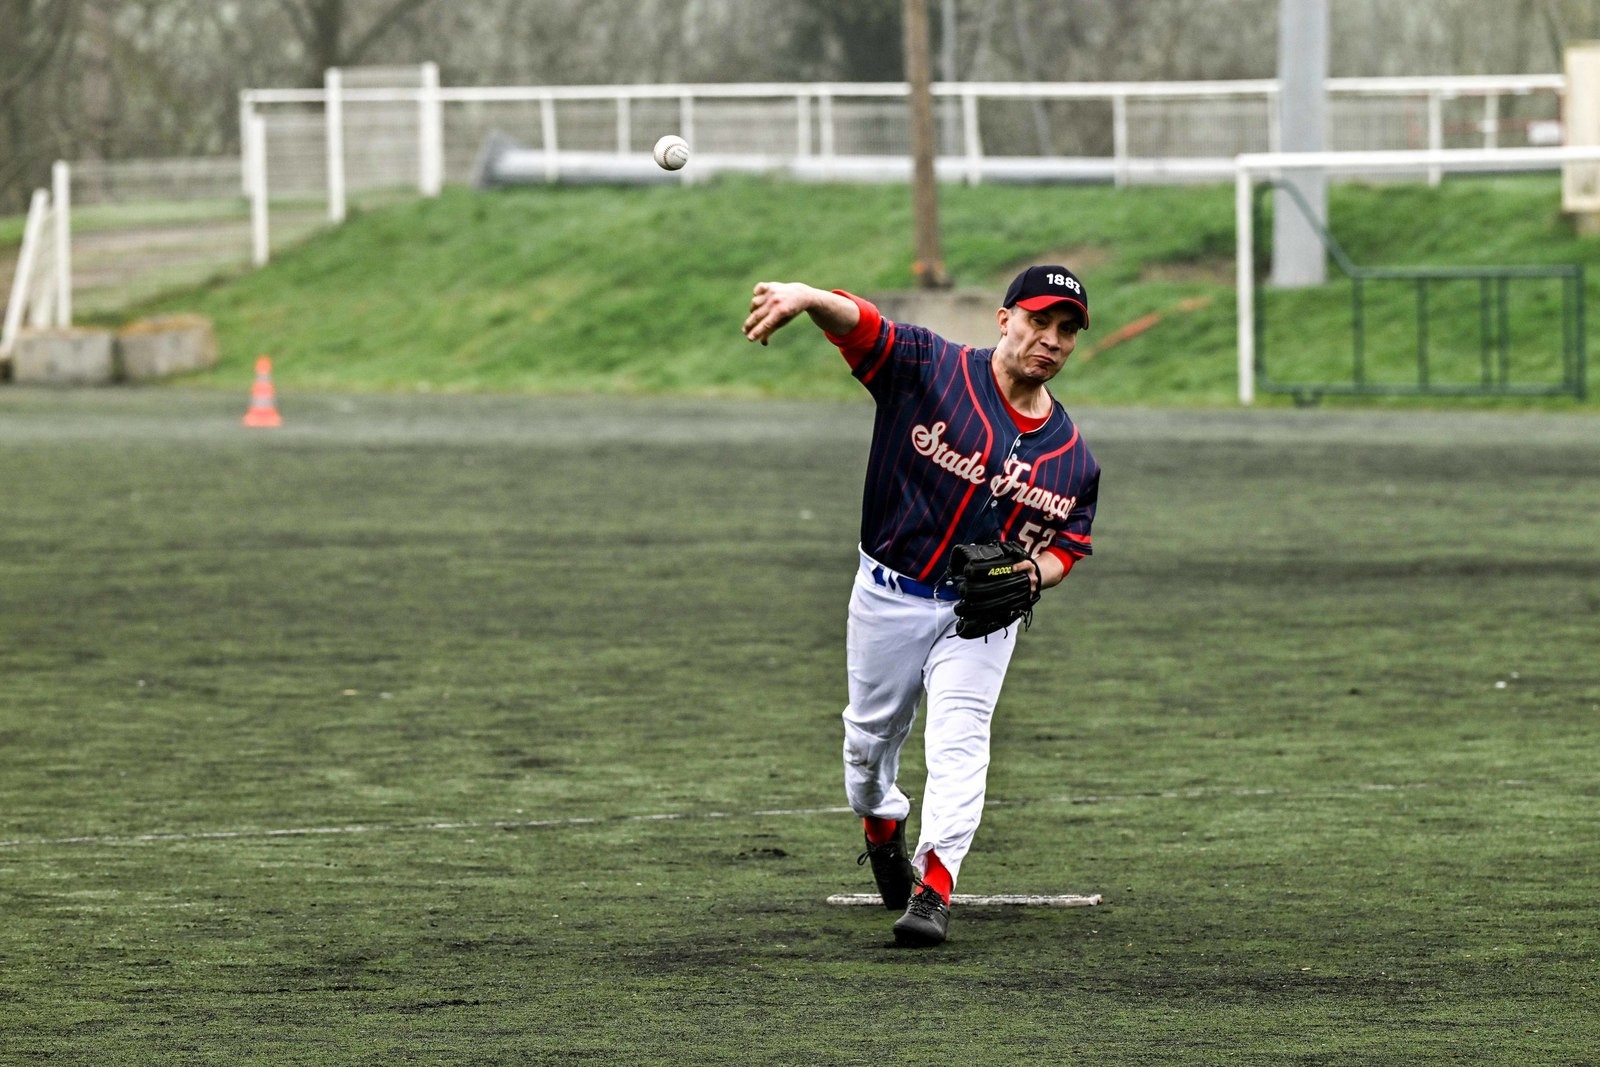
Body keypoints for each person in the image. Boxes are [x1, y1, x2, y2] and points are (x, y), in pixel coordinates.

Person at [741, 265, 1101, 947]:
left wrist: (1031, 574)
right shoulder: (930, 368)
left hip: (979, 619)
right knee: (865, 751)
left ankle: (934, 887)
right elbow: (865, 327)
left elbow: (1070, 544)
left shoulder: (1071, 458)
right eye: (1038, 320)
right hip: (887, 592)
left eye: (1066, 330)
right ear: (1004, 319)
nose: (1050, 339)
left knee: (960, 740)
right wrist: (807, 299)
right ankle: (881, 823)